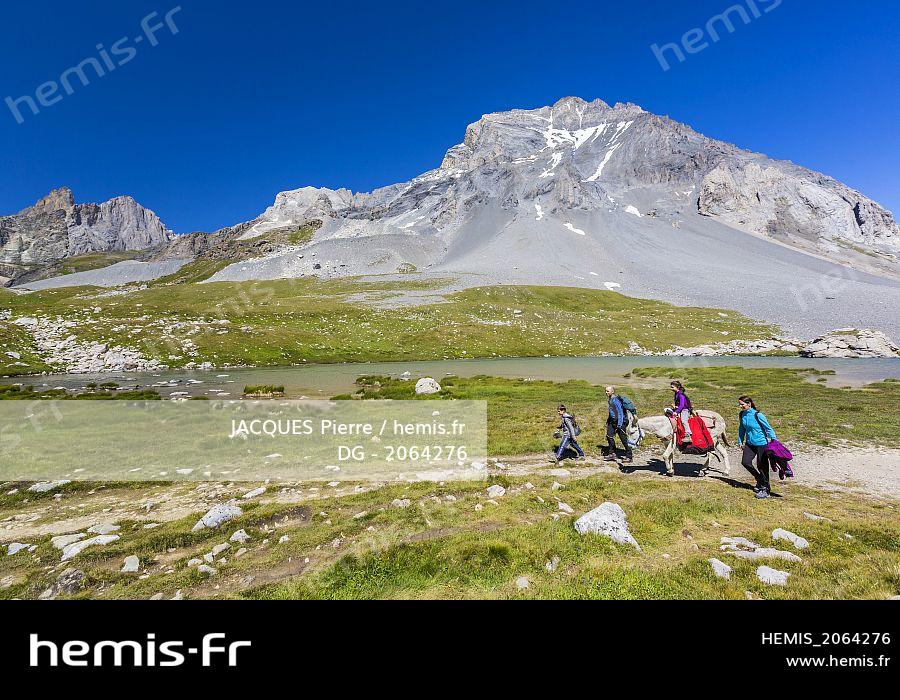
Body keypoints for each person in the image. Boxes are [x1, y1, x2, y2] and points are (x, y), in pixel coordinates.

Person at [738, 395, 777, 499]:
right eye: (740, 404)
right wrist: (740, 440)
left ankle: (766, 490)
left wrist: (774, 440)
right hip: (750, 443)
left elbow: (768, 428)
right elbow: (742, 428)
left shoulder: (758, 415)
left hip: (761, 444)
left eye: (742, 404)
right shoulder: (742, 414)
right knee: (745, 462)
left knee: (762, 466)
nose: (740, 406)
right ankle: (760, 480)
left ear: (749, 404)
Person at [604, 386, 633, 463]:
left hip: (620, 422)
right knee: (609, 436)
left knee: (623, 439)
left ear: (612, 391)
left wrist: (619, 425)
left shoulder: (615, 400)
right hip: (612, 421)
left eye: (608, 391)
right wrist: (608, 420)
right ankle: (612, 453)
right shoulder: (610, 399)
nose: (606, 393)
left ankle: (629, 456)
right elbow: (612, 412)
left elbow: (620, 413)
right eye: (606, 391)